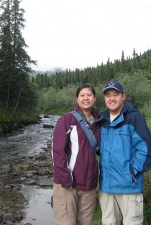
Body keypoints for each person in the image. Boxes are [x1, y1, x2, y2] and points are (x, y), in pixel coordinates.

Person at [99, 81, 151, 225]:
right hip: (107, 188)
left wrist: (132, 171)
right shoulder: (101, 120)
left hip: (129, 187)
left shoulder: (134, 118)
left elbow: (145, 148)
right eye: (108, 95)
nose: (112, 98)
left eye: (115, 94)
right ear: (104, 99)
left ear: (123, 96)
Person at [51, 83, 102, 225]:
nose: (86, 98)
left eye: (89, 95)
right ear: (77, 98)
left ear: (95, 98)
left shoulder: (99, 122)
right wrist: (66, 178)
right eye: (82, 95)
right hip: (68, 185)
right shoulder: (66, 120)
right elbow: (56, 151)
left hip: (89, 186)